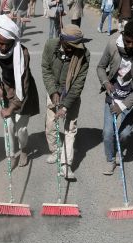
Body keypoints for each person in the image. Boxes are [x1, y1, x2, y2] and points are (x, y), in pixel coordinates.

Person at [96, 20, 133, 175]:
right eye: (128, 41)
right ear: (123, 35)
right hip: (112, 95)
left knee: (124, 134)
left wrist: (123, 105)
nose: (131, 45)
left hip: (130, 98)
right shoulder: (113, 45)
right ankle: (111, 159)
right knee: (107, 133)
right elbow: (100, 67)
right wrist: (106, 82)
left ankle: (119, 149)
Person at [0, 14, 39, 167]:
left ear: (13, 41)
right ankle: (11, 155)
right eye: (0, 43)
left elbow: (23, 84)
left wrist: (11, 108)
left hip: (24, 90)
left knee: (21, 127)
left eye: (7, 44)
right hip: (7, 87)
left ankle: (24, 149)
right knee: (8, 125)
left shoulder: (22, 53)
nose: (3, 47)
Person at [42, 24, 90, 179]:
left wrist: (65, 106)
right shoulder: (50, 45)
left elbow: (78, 83)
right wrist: (52, 91)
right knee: (50, 126)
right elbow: (46, 69)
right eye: (70, 46)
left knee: (70, 128)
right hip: (54, 90)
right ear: (62, 40)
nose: (72, 50)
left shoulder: (84, 54)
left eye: (75, 46)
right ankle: (56, 151)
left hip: (71, 95)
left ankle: (65, 164)